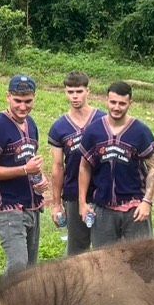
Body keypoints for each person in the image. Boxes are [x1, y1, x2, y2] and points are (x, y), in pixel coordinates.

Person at [0, 73, 46, 272]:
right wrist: (24, 170)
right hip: (8, 205)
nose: (23, 107)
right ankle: (1, 302)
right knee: (18, 265)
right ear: (8, 97)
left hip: (32, 204)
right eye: (17, 101)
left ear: (35, 98)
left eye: (28, 101)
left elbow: (30, 160)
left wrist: (39, 177)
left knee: (29, 269)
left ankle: (24, 303)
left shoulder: (31, 124)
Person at [79, 81, 154, 247]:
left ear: (130, 103)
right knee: (103, 263)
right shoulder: (93, 131)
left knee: (141, 259)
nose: (116, 107)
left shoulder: (141, 131)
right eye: (113, 102)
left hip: (134, 208)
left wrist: (147, 202)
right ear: (106, 100)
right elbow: (84, 167)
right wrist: (82, 203)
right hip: (103, 208)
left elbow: (153, 168)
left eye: (122, 103)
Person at [48, 71, 104, 256]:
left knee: (104, 249)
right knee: (76, 251)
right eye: (70, 91)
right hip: (72, 194)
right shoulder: (59, 127)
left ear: (88, 91)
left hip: (102, 194)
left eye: (79, 91)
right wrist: (56, 203)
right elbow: (57, 167)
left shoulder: (103, 120)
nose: (74, 96)